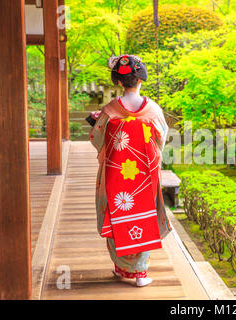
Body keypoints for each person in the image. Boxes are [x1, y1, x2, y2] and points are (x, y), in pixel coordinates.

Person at [89, 54, 172, 287]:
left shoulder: (110, 110)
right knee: (145, 212)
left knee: (115, 212)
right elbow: (161, 139)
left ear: (118, 82)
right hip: (144, 173)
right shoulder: (153, 110)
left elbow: (96, 138)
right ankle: (140, 273)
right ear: (141, 81)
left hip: (115, 173)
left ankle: (121, 268)